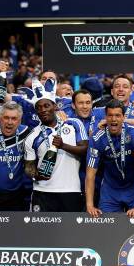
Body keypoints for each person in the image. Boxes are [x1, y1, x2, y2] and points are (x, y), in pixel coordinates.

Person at [24, 82, 89, 212]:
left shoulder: (73, 124)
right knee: (40, 231)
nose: (43, 110)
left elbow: (85, 150)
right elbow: (29, 166)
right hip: (42, 191)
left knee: (70, 232)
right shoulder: (32, 136)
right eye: (39, 107)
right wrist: (37, 175)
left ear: (54, 106)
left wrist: (63, 146)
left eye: (46, 105)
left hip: (70, 190)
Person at [85, 100, 134, 217]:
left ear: (124, 117)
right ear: (105, 117)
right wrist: (89, 205)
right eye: (110, 115)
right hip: (110, 190)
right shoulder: (97, 138)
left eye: (117, 115)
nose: (113, 119)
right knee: (108, 230)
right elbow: (90, 173)